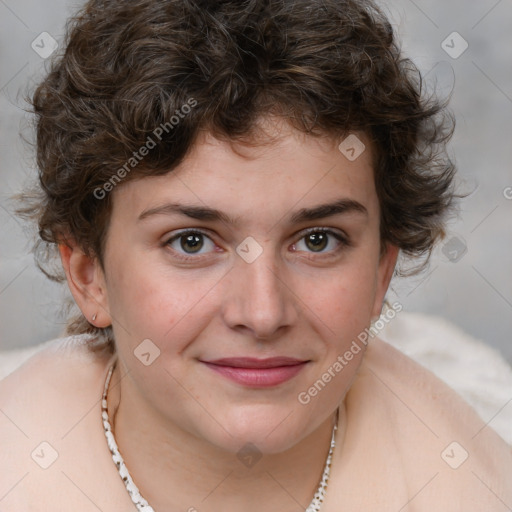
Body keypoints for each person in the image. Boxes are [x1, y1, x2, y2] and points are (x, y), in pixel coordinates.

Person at [1, 0, 511, 510]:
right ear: (89, 275)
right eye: (192, 242)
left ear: (382, 271)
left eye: (318, 240)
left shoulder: (472, 486)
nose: (263, 314)